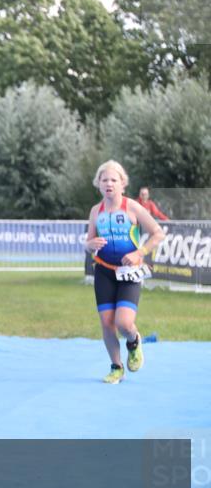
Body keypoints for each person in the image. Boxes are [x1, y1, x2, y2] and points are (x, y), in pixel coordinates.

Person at [85, 160, 165, 384]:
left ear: (122, 184)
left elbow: (158, 233)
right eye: (104, 180)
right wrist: (89, 245)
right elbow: (88, 241)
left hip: (129, 272)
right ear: (98, 184)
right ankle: (116, 367)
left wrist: (140, 252)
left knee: (124, 323)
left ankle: (134, 341)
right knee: (107, 323)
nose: (108, 183)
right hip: (104, 272)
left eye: (113, 180)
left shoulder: (133, 207)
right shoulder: (95, 211)